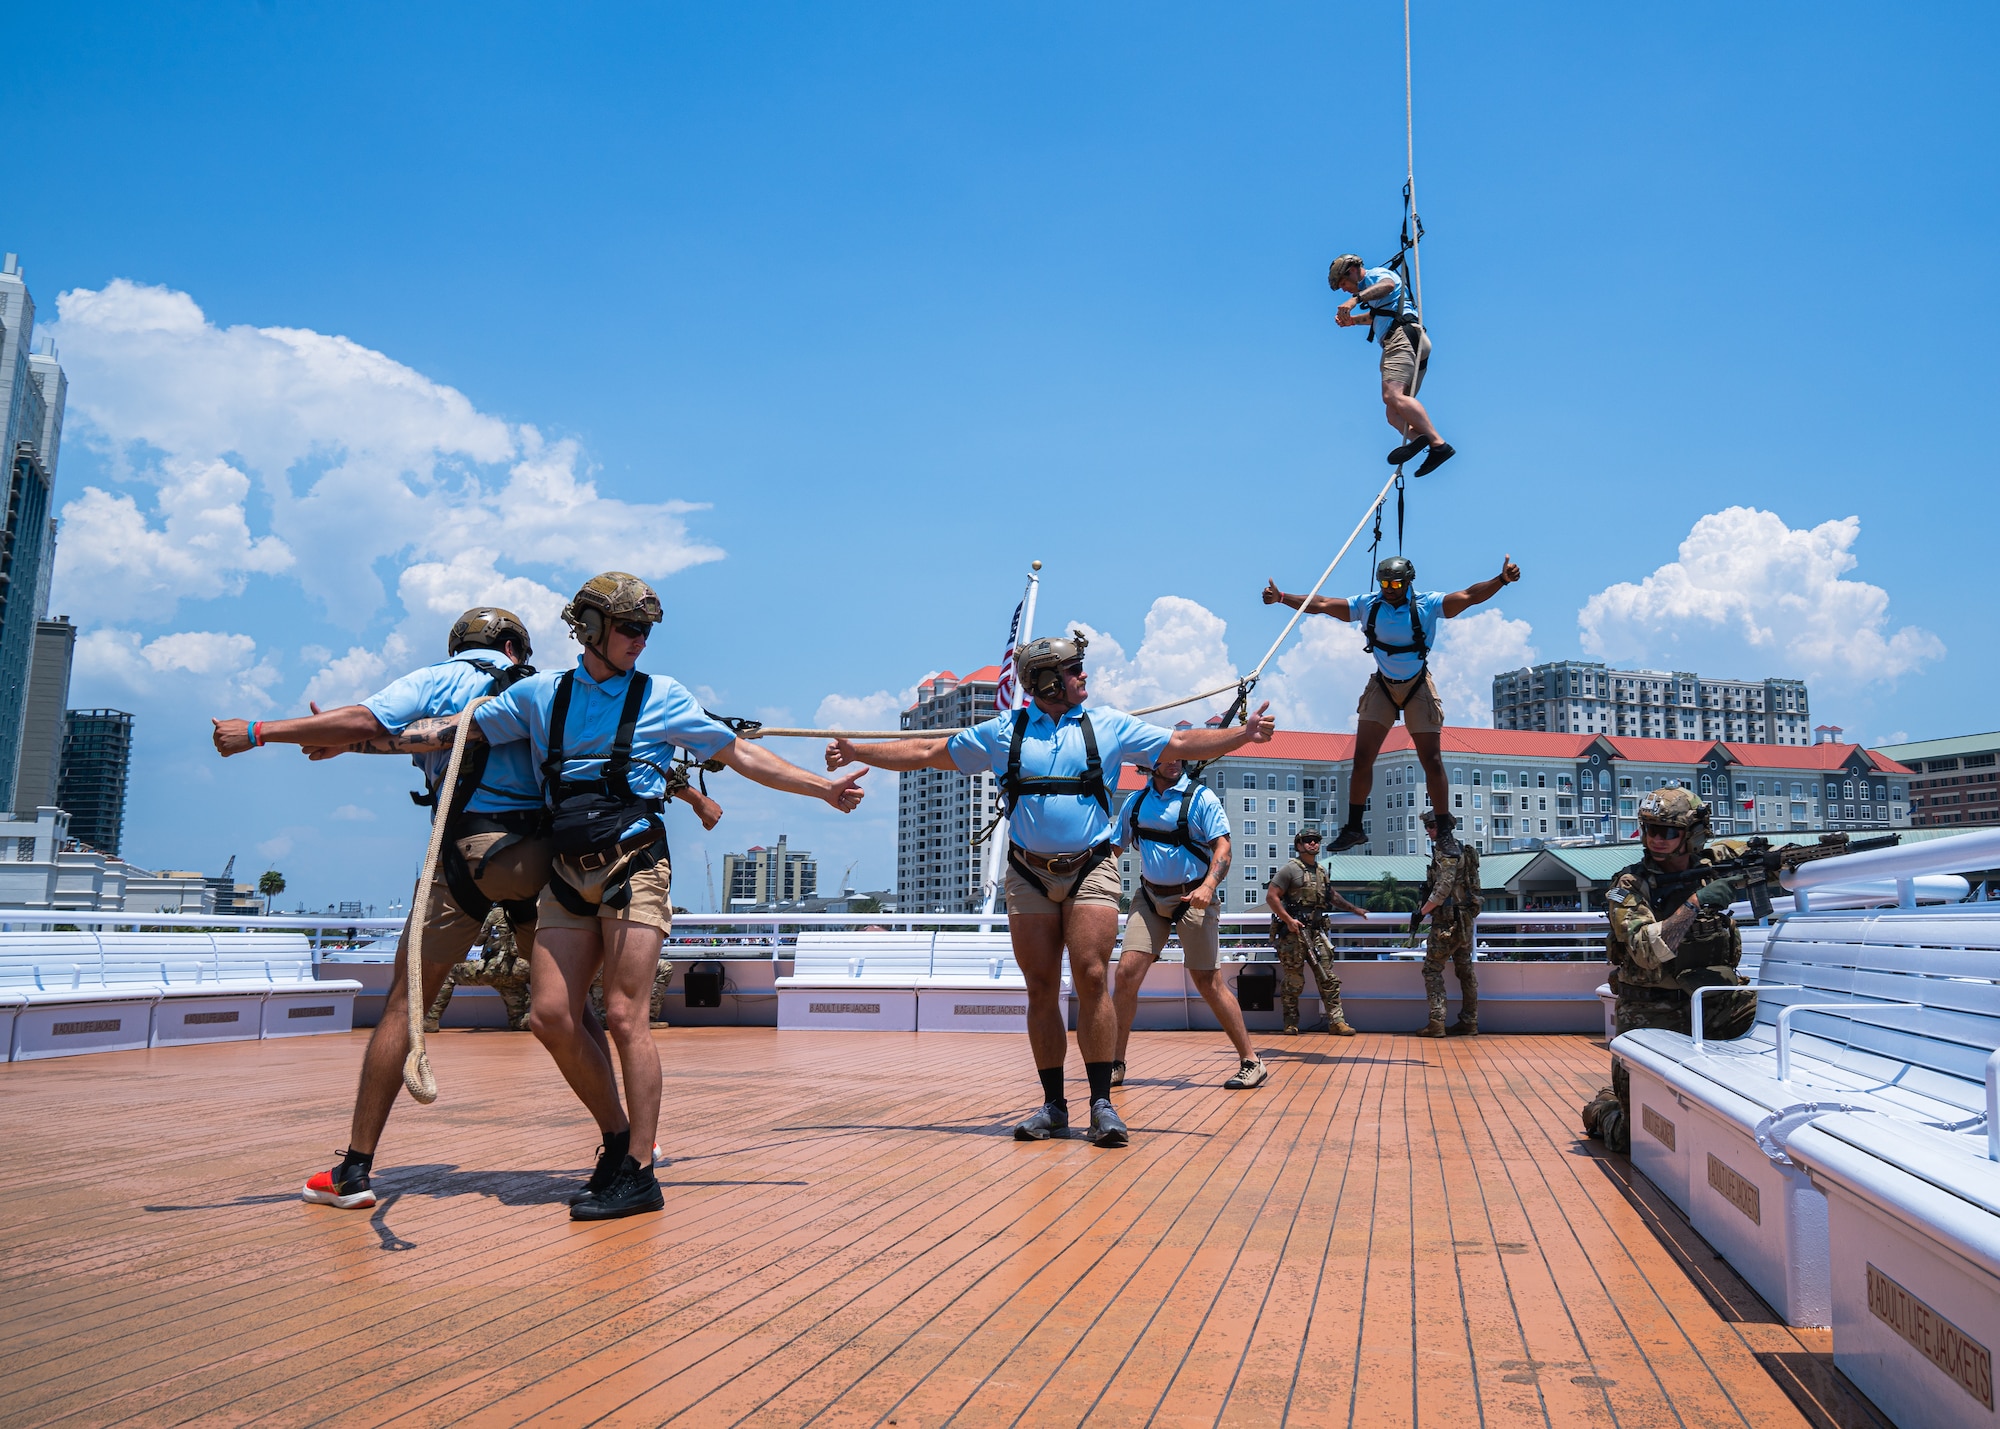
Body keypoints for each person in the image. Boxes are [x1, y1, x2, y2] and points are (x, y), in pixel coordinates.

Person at [381, 573, 865, 1219]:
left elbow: (741, 754)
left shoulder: (662, 697)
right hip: (565, 871)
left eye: (646, 630)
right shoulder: (539, 694)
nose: (640, 640)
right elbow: (450, 733)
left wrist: (821, 788)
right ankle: (616, 1136)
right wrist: (328, 737)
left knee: (623, 1016)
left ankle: (638, 1169)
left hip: (633, 864)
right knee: (551, 1015)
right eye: (628, 627)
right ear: (587, 628)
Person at [827, 633, 1276, 1148]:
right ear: (1046, 681)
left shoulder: (1106, 725)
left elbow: (1178, 745)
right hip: (1028, 873)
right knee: (1040, 986)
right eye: (1075, 670)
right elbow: (928, 751)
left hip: (1091, 868)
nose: (1085, 677)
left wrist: (1242, 735)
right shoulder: (1003, 732)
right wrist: (858, 749)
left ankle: (1102, 1104)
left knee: (1090, 977)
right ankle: (1053, 1106)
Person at [209, 608, 570, 1210]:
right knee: (566, 1011)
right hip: (540, 859)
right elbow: (413, 738)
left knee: (404, 1006)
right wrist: (343, 743)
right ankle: (629, 1146)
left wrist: (257, 731)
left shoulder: (438, 680)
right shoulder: (547, 689)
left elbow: (370, 720)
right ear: (514, 647)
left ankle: (354, 1171)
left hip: (466, 860)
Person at [1262, 552, 1522, 855]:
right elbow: (1321, 605)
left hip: (1417, 685)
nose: (1389, 588)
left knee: (1432, 760)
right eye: (1384, 582)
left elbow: (1468, 596)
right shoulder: (1368, 605)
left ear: (1408, 582)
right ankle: (1354, 828)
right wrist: (1282, 597)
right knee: (1362, 759)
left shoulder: (1427, 604)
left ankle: (1445, 830)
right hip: (1383, 685)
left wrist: (1501, 580)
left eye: (1395, 583)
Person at [1580, 788, 1756, 1153]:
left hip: (1713, 1002)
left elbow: (1760, 856)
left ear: (1691, 834)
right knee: (1636, 1138)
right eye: (1650, 830)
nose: (1657, 840)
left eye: (1668, 831)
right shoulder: (1627, 886)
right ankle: (1604, 1107)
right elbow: (1645, 952)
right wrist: (1694, 904)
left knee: (1774, 1021)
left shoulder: (1714, 862)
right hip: (1650, 1012)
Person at [1108, 757, 1265, 1091]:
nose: (1175, 762)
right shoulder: (1135, 803)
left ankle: (1251, 1060)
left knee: (1208, 982)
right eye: (1166, 757)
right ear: (1149, 766)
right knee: (1125, 975)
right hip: (1149, 897)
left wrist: (1208, 887)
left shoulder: (1201, 798)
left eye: (1179, 756)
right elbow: (1114, 848)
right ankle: (1115, 1062)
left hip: (1194, 897)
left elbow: (1223, 846)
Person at [1328, 252, 1453, 477]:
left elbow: (1387, 286)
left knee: (1392, 396)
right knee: (1394, 414)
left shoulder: (1376, 276)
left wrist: (1354, 301)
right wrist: (1352, 322)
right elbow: (1379, 314)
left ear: (1353, 270)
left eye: (1344, 283)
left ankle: (1438, 443)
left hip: (1401, 338)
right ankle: (1423, 442)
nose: (1345, 289)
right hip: (1410, 342)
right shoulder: (1371, 293)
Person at [1265, 830, 1369, 1035]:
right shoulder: (1289, 870)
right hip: (1294, 933)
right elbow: (1272, 896)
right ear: (1298, 845)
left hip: (1316, 932)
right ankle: (1291, 1022)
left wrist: (1355, 910)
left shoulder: (1321, 871)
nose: (1312, 843)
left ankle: (1337, 1021)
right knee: (1294, 980)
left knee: (1328, 978)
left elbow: (1332, 896)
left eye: (1316, 840)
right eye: (1307, 840)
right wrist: (1288, 920)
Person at [1412, 808, 1480, 1037]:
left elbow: (1442, 889)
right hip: (1465, 919)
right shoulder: (1464, 850)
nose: (1429, 831)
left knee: (1432, 969)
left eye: (1432, 827)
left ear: (1443, 828)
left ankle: (1437, 1021)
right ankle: (1469, 1021)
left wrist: (1422, 912)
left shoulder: (1446, 852)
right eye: (1428, 827)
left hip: (1447, 920)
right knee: (1465, 970)